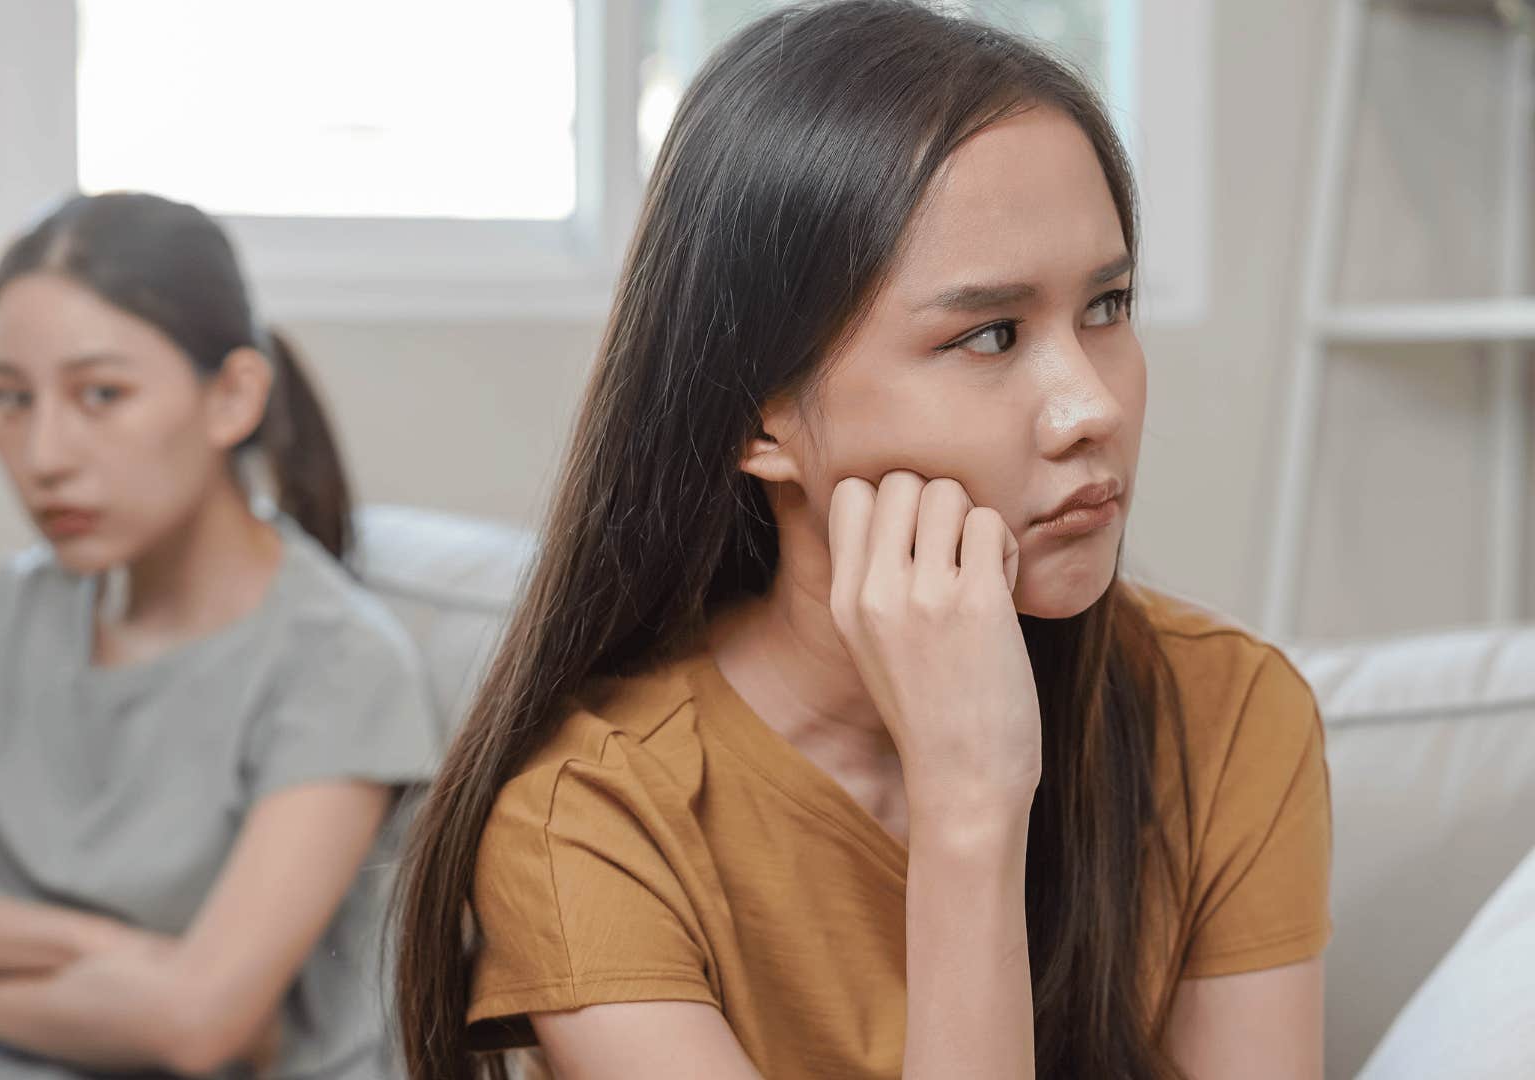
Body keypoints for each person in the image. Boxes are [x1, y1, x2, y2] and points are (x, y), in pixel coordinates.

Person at [394, 3, 1331, 1078]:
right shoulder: (593, 822)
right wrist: (970, 803)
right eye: (990, 334)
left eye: (1108, 306)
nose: (1092, 409)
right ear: (759, 417)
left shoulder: (1227, 715)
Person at [0, 192, 440, 1080]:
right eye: (11, 398)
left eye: (101, 394)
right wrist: (100, 950)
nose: (45, 454)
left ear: (232, 397)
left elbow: (200, 1028)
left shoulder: (338, 662)